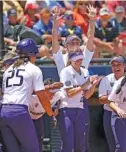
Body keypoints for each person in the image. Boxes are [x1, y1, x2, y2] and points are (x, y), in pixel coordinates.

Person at [52, 5, 96, 152]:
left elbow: (90, 40)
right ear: (66, 45)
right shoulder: (62, 59)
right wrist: (55, 24)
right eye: (72, 42)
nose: (76, 45)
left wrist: (92, 21)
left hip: (81, 102)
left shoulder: (83, 59)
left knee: (83, 142)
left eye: (77, 42)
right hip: (65, 101)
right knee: (66, 142)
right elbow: (54, 44)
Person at [0, 38, 54, 152]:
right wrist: (50, 113)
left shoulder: (8, 70)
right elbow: (41, 95)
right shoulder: (34, 69)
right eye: (35, 54)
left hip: (3, 112)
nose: (36, 56)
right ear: (31, 54)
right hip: (19, 112)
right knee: (33, 149)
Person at [58, 50, 102, 152]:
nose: (79, 61)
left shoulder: (85, 72)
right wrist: (86, 84)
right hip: (66, 109)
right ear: (71, 60)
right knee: (68, 144)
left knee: (80, 145)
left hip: (80, 109)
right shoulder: (65, 71)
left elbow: (86, 95)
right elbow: (69, 93)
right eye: (76, 59)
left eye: (80, 59)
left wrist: (93, 85)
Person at [98, 56, 126, 152]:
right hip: (109, 113)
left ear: (124, 66)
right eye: (113, 65)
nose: (116, 67)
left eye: (119, 65)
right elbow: (101, 99)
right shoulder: (106, 79)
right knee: (113, 145)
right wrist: (115, 94)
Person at [29, 78, 64, 152]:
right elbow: (27, 91)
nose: (52, 95)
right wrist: (48, 87)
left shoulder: (57, 95)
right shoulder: (32, 97)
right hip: (27, 118)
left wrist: (57, 108)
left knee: (39, 141)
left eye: (53, 92)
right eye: (50, 92)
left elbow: (63, 96)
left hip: (39, 118)